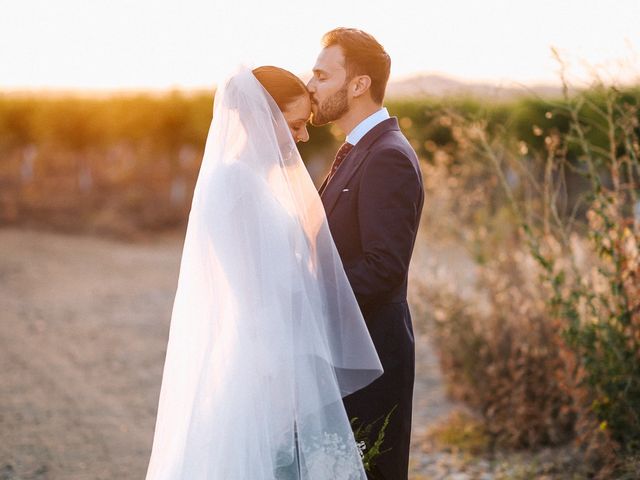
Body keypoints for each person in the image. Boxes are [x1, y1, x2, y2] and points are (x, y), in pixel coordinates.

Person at [144, 66, 383, 480]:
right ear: (259, 118)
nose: (303, 137)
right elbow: (261, 286)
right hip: (265, 350)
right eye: (295, 125)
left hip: (278, 343)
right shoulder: (235, 182)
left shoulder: (257, 178)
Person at [307, 28, 425, 480]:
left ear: (358, 84)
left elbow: (383, 266)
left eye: (321, 75)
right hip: (345, 353)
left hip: (370, 358)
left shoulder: (387, 156)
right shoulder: (360, 148)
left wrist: (304, 299)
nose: (311, 86)